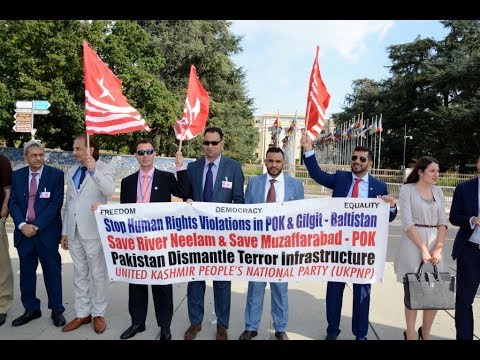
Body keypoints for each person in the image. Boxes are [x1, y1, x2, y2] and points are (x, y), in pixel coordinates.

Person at [300, 134, 396, 340]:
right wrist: (309, 149)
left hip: (363, 250)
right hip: (338, 247)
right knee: (334, 292)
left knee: (362, 295)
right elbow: (317, 174)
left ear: (369, 163)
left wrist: (392, 205)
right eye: (354, 158)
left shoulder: (378, 187)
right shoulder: (341, 178)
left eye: (362, 159)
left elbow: (388, 216)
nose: (357, 162)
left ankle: (360, 334)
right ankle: (332, 331)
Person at [119, 139, 190, 340]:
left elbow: (184, 192)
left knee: (162, 285)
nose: (145, 156)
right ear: (135, 156)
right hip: (135, 241)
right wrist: (102, 211)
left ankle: (165, 325)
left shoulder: (166, 178)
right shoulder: (128, 182)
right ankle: (137, 323)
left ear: (155, 153)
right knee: (137, 284)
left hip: (159, 242)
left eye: (149, 151)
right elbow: (122, 213)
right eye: (140, 153)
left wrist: (180, 166)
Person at [184, 126, 245, 341]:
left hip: (223, 237)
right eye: (206, 143)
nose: (210, 147)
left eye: (214, 143)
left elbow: (239, 200)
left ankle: (222, 325)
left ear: (222, 143)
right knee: (195, 280)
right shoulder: (193, 168)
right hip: (197, 236)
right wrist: (187, 201)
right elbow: (187, 197)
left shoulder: (234, 167)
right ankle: (195, 322)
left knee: (221, 283)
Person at [238, 147, 304, 341]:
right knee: (255, 289)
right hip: (258, 247)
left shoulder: (295, 185)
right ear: (265, 162)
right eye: (270, 161)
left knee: (280, 290)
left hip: (283, 248)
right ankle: (251, 327)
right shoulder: (254, 183)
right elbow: (245, 214)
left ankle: (280, 328)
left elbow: (301, 217)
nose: (273, 165)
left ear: (283, 163)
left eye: (277, 161)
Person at [60, 133, 115, 334]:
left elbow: (109, 191)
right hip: (74, 232)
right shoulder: (72, 170)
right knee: (80, 274)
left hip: (93, 231)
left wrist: (94, 171)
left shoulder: (104, 168)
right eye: (73, 149)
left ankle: (98, 313)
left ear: (90, 150)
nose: (74, 152)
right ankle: (83, 313)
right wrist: (65, 231)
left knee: (98, 274)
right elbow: (70, 204)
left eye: (78, 149)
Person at [8, 139, 66, 327]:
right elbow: (13, 203)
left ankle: (57, 309)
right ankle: (31, 309)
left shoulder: (55, 175)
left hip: (46, 234)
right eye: (34, 155)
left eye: (41, 155)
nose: (39, 158)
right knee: (26, 274)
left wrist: (36, 226)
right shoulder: (17, 176)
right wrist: (22, 225)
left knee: (52, 272)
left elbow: (55, 204)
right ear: (26, 157)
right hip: (24, 234)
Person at [393, 156, 448, 340]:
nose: (436, 174)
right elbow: (407, 222)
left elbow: (442, 222)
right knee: (413, 290)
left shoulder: (438, 191)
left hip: (434, 244)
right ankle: (409, 332)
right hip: (413, 244)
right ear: (421, 172)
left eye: (438, 171)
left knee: (434, 291)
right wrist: (423, 248)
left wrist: (438, 248)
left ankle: (425, 332)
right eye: (432, 171)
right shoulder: (407, 190)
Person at [449, 156, 480, 340]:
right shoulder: (464, 188)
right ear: (477, 164)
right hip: (470, 252)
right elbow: (454, 216)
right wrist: (470, 220)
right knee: (464, 301)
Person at [0, 155, 14, 327]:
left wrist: (4, 209)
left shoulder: (2, 160)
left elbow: (8, 190)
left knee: (1, 264)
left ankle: (3, 305)